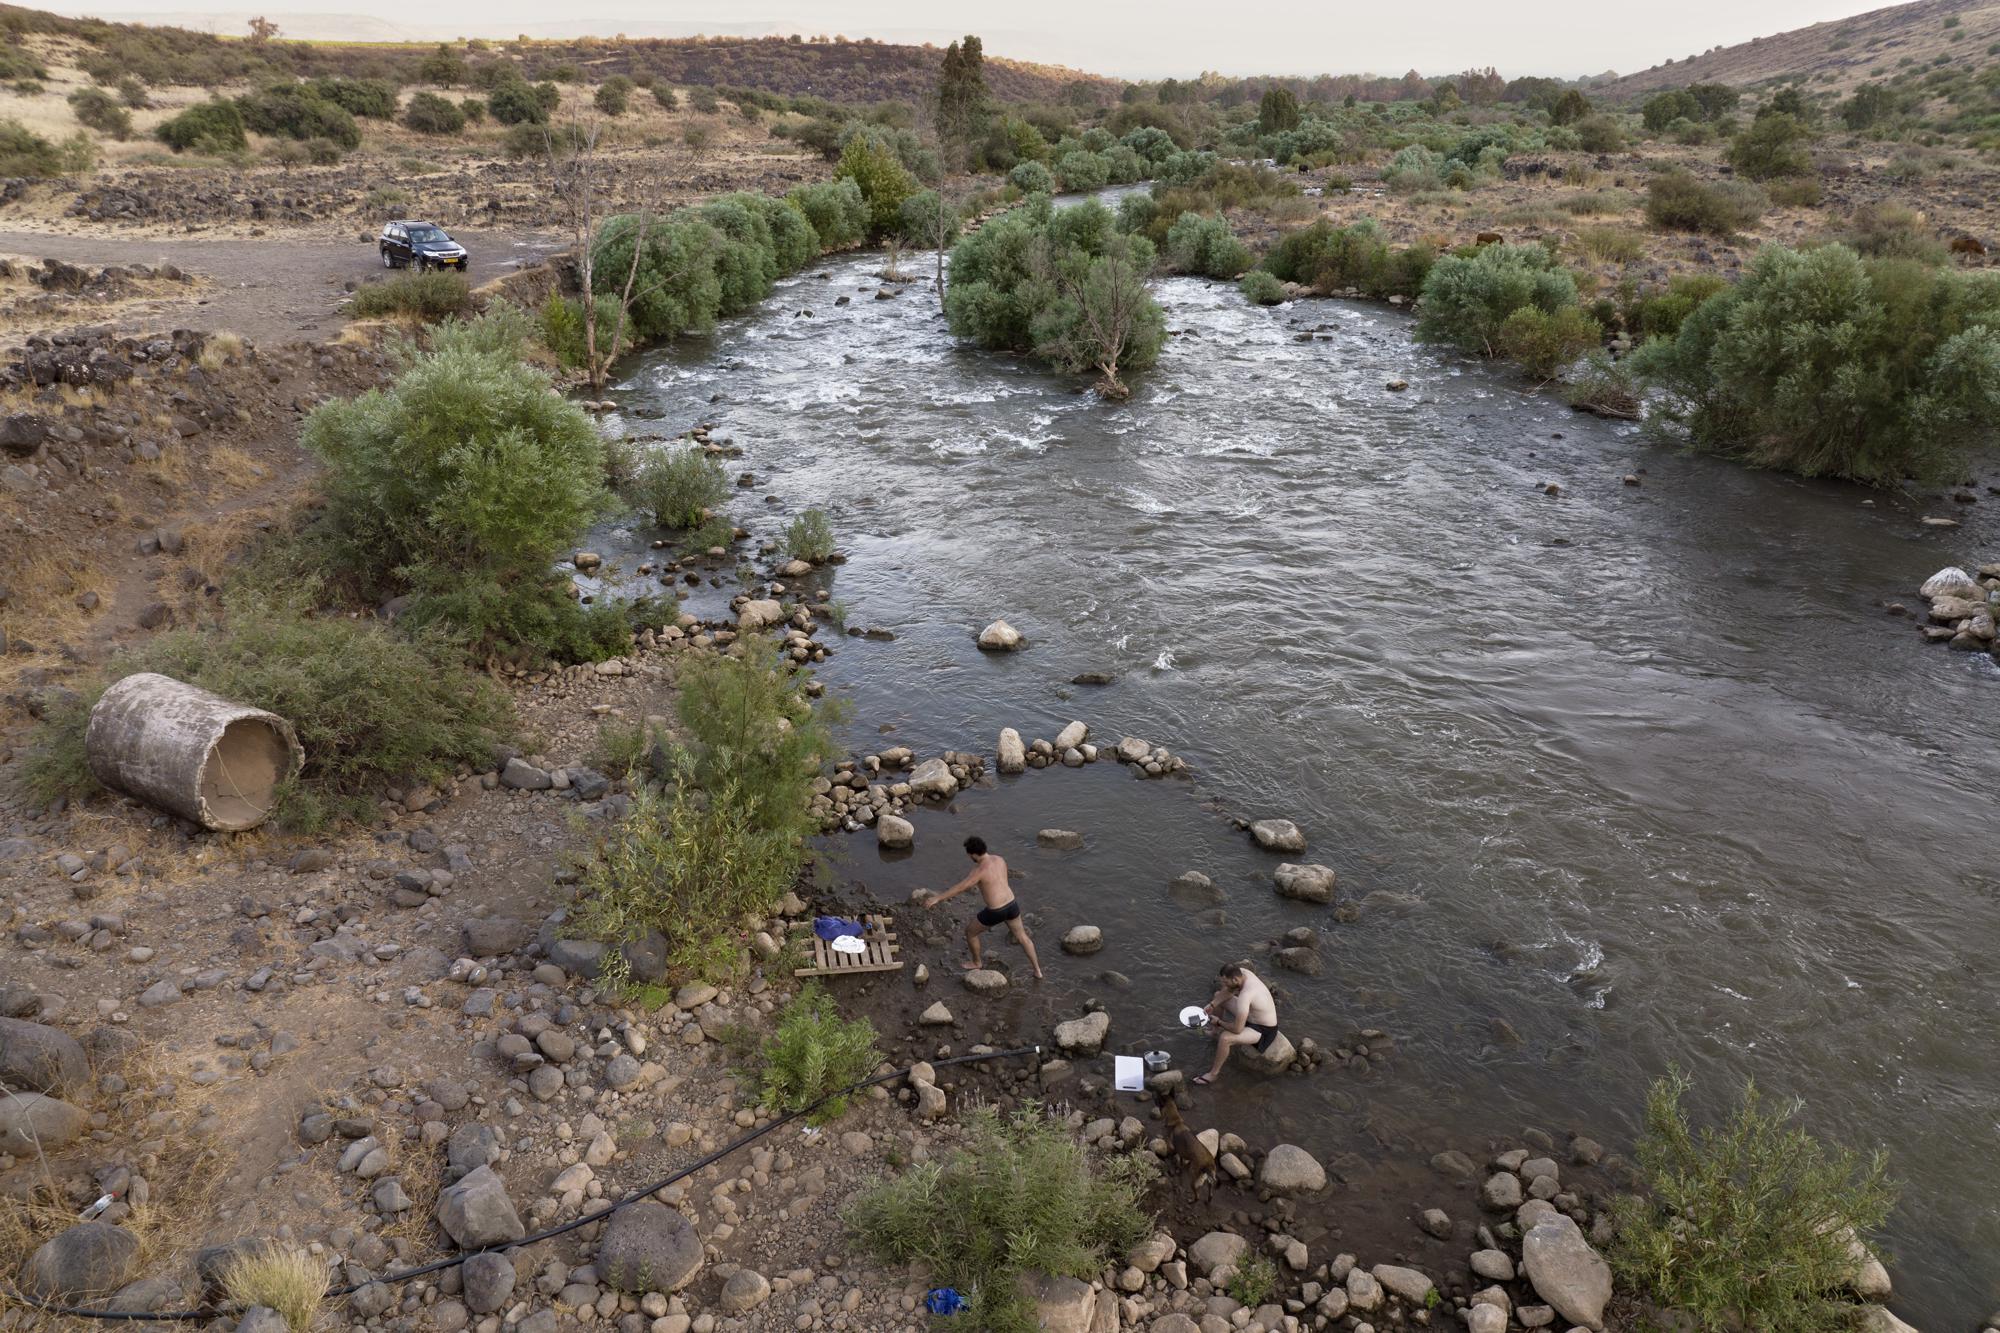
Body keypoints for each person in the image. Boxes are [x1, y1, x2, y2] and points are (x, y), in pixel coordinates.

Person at [918, 835, 1044, 979]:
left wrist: (937, 898)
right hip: (1012, 904)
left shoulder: (979, 871)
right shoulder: (1000, 859)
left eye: (969, 855)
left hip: (996, 911)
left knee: (971, 932)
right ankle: (1037, 971)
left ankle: (977, 962)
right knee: (1023, 937)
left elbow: (960, 888)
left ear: (973, 854)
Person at [1194, 961, 1277, 1086]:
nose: (1224, 985)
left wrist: (1219, 1022)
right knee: (1217, 996)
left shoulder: (1246, 995)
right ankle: (1214, 1032)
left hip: (1263, 1029)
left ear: (1235, 979)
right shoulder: (1243, 972)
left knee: (1225, 1038)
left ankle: (1213, 1074)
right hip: (1252, 1015)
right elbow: (1227, 991)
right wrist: (1212, 1005)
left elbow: (1237, 1029)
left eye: (1226, 982)